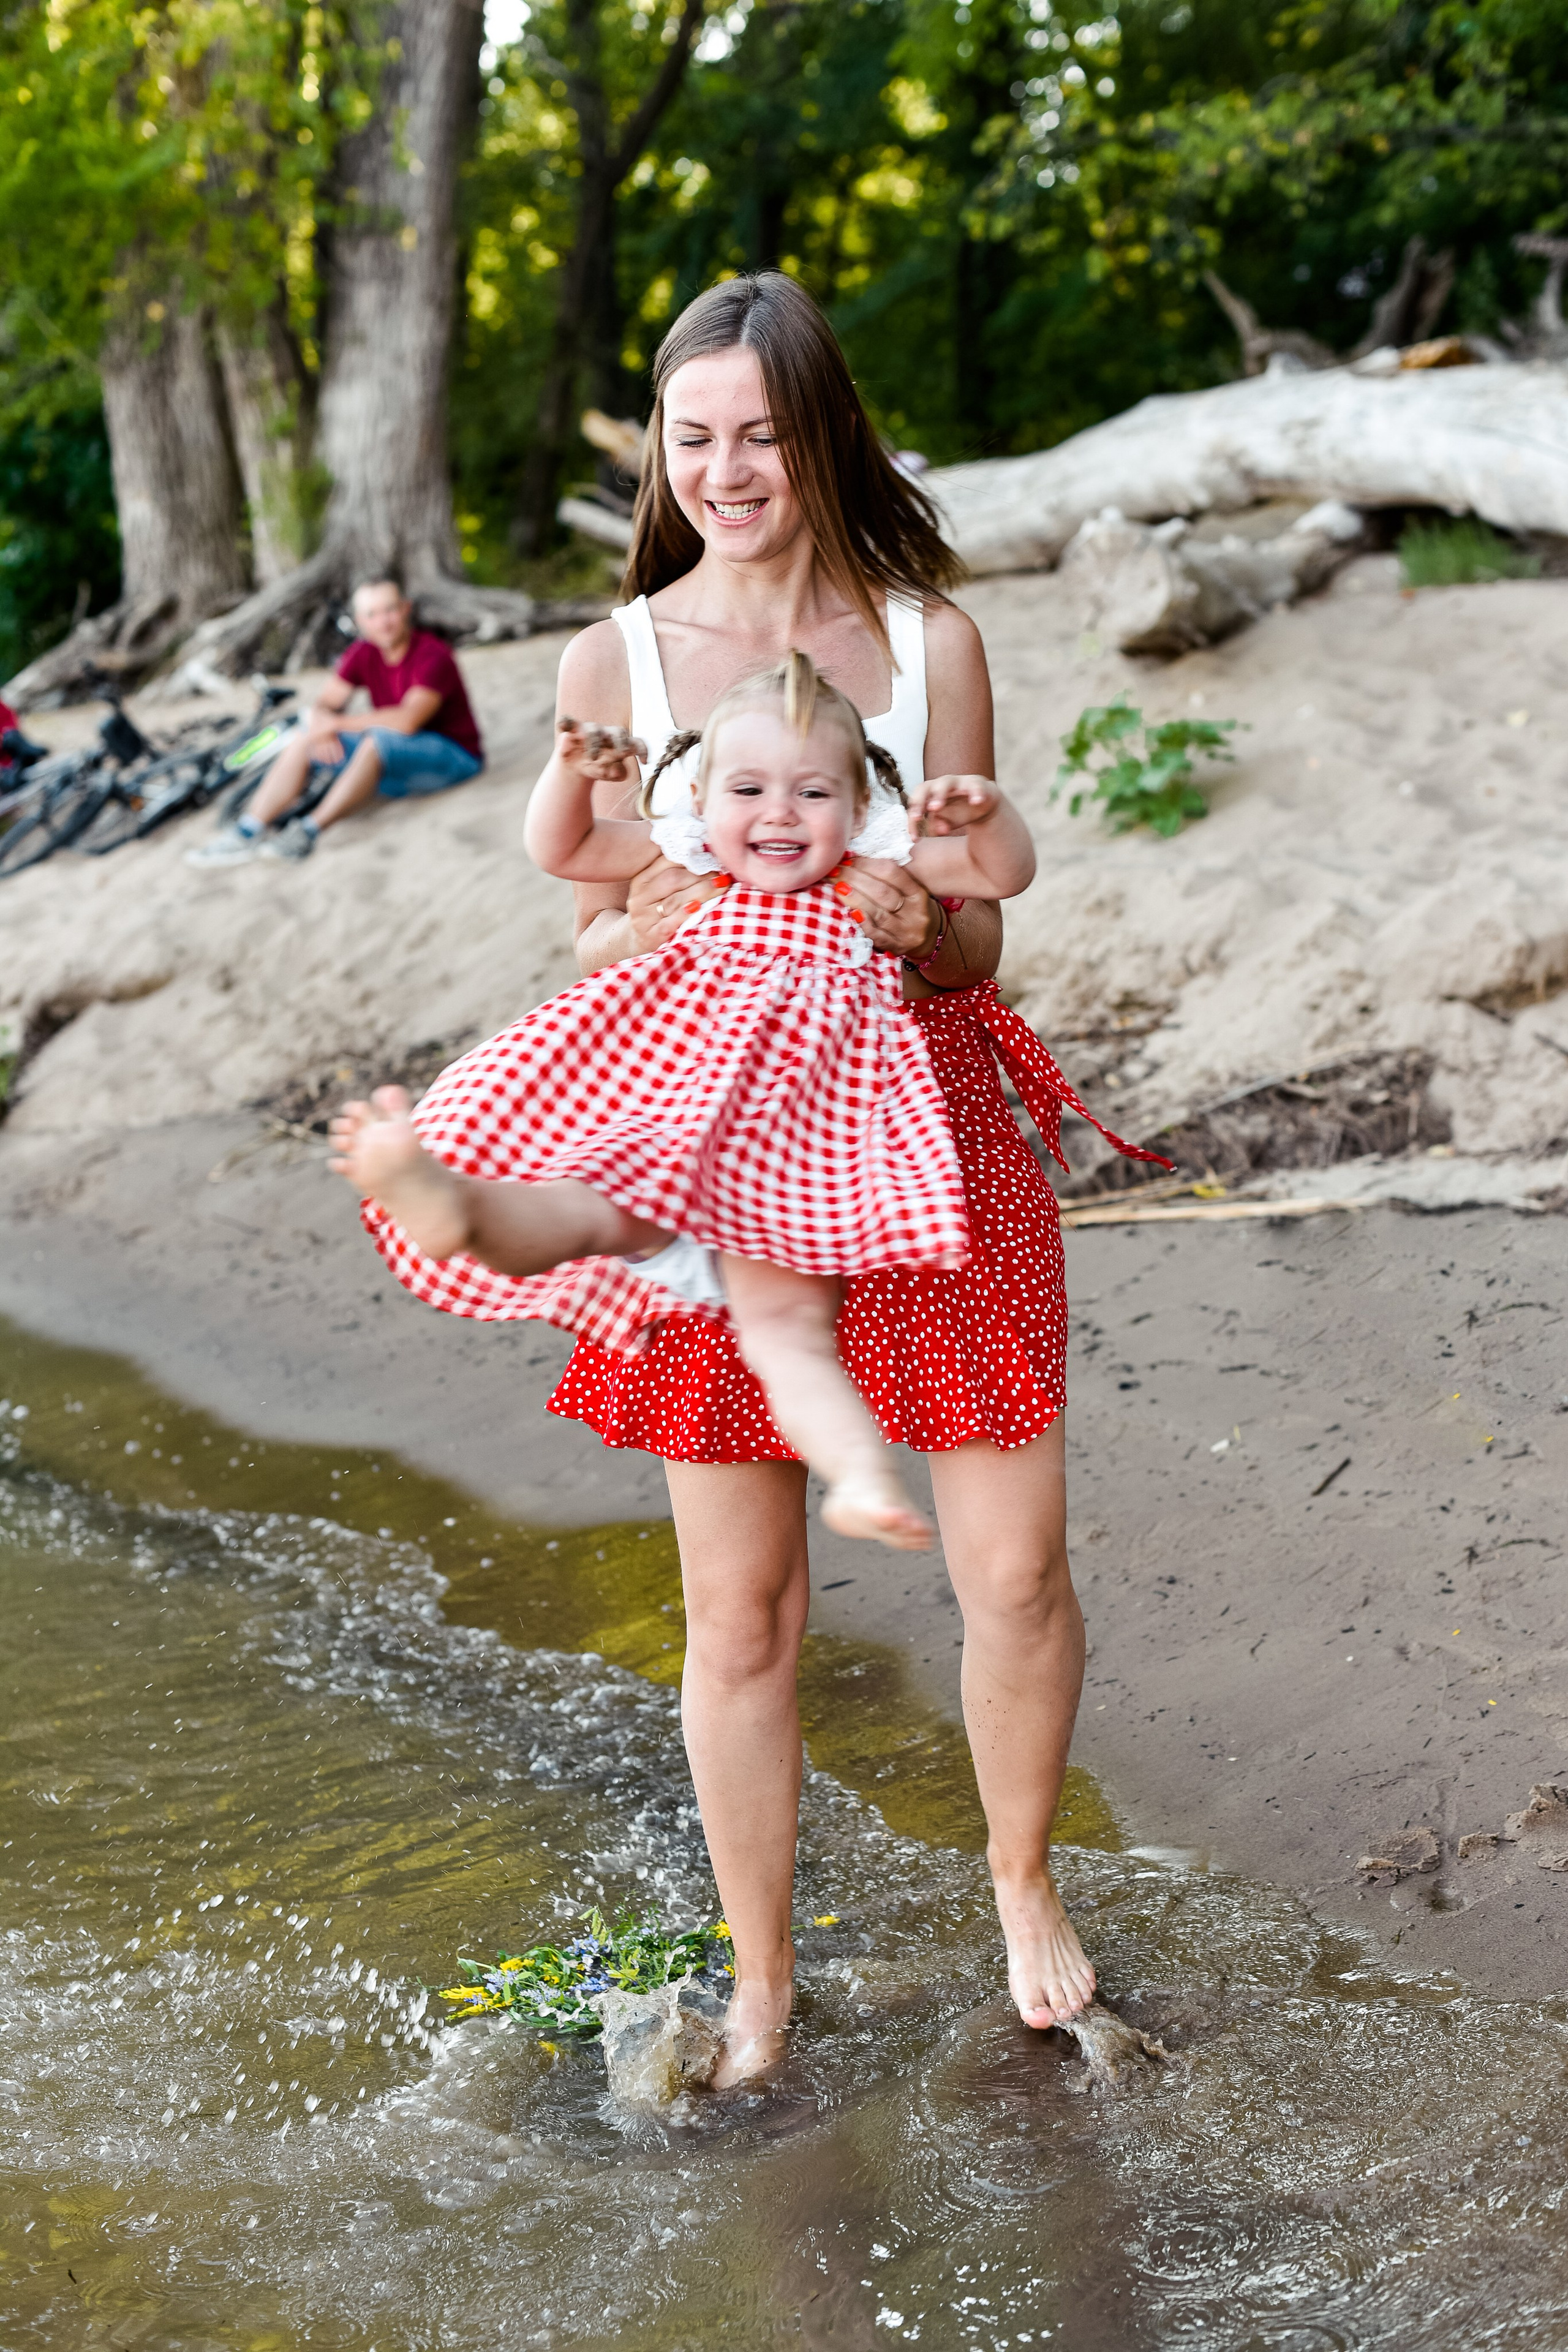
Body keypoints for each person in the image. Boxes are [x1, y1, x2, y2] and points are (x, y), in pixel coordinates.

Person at [534, 271, 1167, 2087]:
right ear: (661, 455)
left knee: (1018, 1570)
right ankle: (757, 1980)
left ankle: (1022, 1880)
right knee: (741, 1610)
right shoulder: (617, 664)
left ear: (820, 434)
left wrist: (927, 915)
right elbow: (586, 934)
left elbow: (978, 937)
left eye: (761, 433)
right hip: (719, 1175)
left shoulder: (926, 636)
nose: (729, 469)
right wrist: (635, 919)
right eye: (694, 437)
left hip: (933, 1142)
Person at [328, 649, 1037, 1550]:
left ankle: (858, 1479)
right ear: (701, 800)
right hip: (679, 1119)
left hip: (794, 1163)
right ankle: (455, 1208)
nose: (778, 812)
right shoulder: (689, 852)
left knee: (789, 1333)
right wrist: (567, 773)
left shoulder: (872, 865)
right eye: (747, 790)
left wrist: (991, 814)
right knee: (590, 1213)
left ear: (859, 808)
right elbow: (562, 848)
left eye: (812, 794)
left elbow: (999, 873)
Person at [186, 577, 484, 867]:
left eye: (390, 610)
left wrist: (335, 725)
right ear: (360, 620)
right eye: (372, 614)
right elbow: (324, 705)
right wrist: (320, 730)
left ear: (406, 609)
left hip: (455, 759)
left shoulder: (433, 655)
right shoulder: (363, 653)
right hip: (397, 767)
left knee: (377, 740)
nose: (384, 621)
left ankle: (307, 831)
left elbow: (407, 722)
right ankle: (247, 831)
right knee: (305, 737)